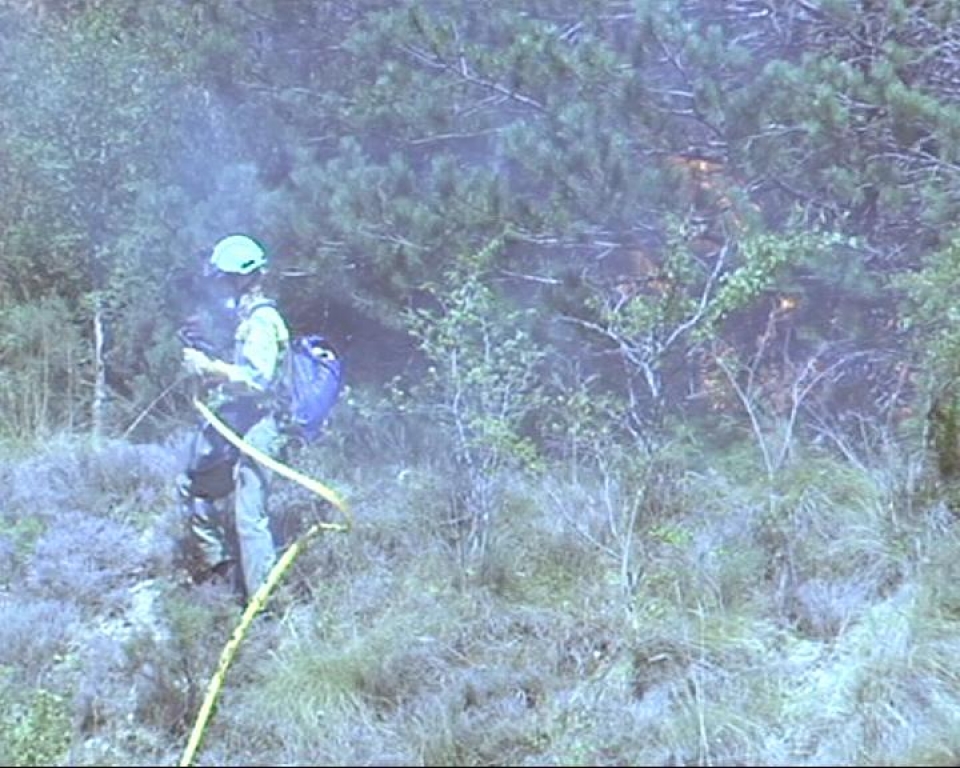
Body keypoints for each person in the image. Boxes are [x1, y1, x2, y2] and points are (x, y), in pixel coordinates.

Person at [176, 234, 290, 606]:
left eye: (223, 279)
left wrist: (209, 366)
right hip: (241, 419)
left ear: (242, 279)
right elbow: (239, 370)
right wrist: (208, 357)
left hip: (263, 424)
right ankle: (222, 575)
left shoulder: (263, 319)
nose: (218, 287)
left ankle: (265, 606)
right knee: (193, 487)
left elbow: (258, 380)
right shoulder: (246, 319)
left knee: (249, 514)